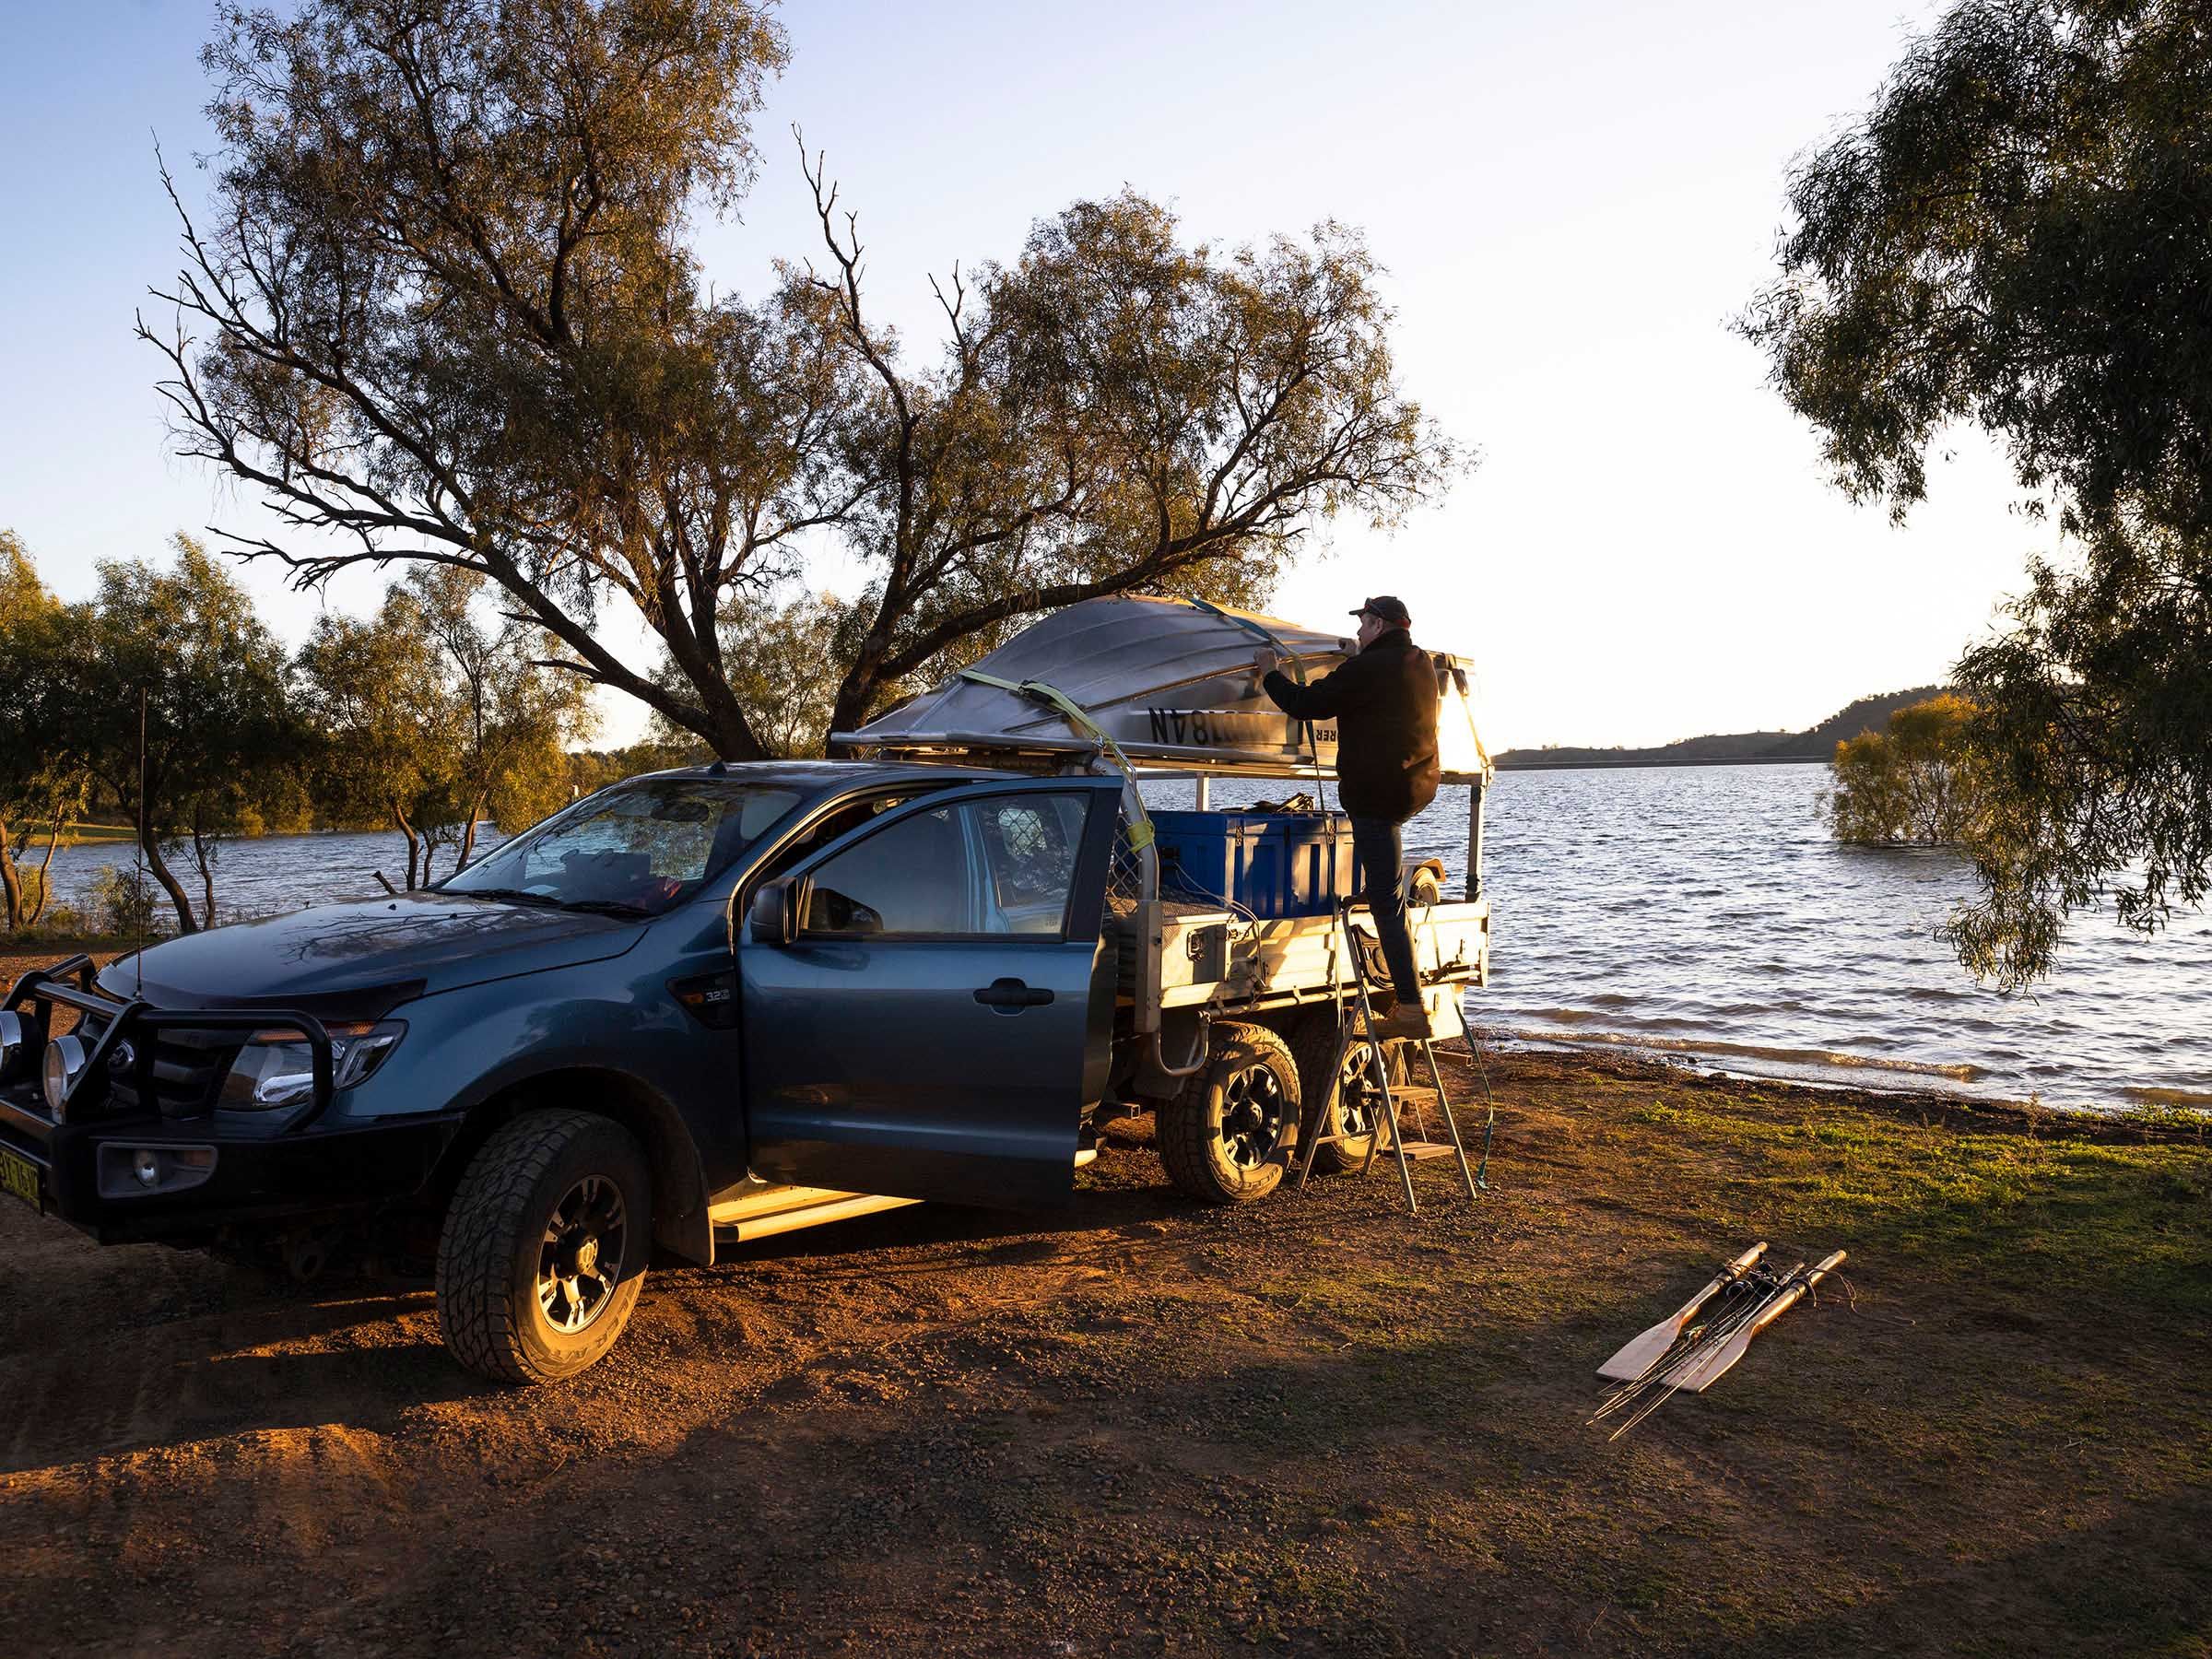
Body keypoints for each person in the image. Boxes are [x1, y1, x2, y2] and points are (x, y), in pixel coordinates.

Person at [1252, 595, 1441, 1039]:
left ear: (1377, 625)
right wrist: (1358, 662)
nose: (1357, 633)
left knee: (1386, 902)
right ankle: (1405, 988)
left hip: (1376, 796)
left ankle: (1411, 1008)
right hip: (1414, 787)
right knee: (1384, 881)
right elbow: (1378, 684)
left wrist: (1268, 673)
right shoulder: (1420, 663)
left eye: (1362, 625)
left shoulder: (1365, 670)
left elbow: (1304, 704)